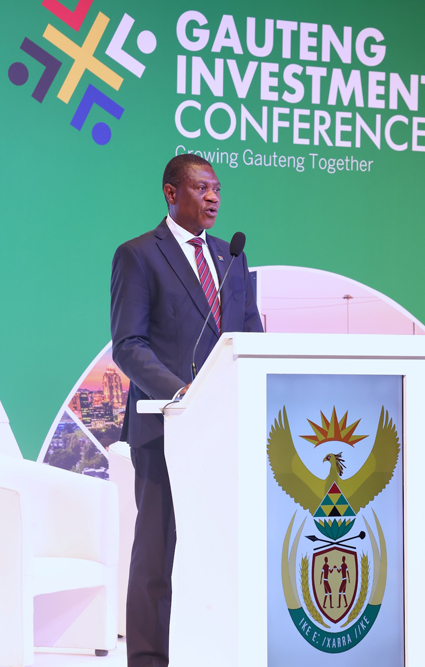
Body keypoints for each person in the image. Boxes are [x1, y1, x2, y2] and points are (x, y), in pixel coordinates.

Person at [110, 153, 263, 667]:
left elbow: (251, 337)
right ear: (171, 193)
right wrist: (185, 394)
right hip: (165, 427)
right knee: (157, 554)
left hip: (227, 430)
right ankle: (148, 659)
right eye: (202, 188)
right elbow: (128, 346)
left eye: (217, 188)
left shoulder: (232, 257)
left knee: (224, 552)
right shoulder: (138, 255)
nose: (213, 197)